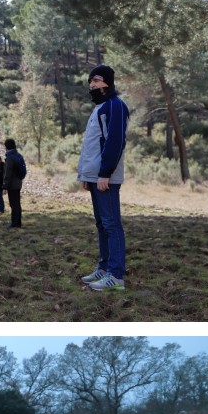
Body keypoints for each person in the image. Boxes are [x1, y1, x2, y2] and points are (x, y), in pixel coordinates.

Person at [78, 64, 130, 291]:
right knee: (101, 224)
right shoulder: (99, 107)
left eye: (97, 80)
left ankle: (116, 276)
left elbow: (115, 142)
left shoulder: (115, 106)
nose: (92, 85)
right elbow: (92, 146)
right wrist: (87, 175)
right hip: (95, 176)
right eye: (91, 81)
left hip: (105, 177)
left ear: (108, 82)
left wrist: (104, 173)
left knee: (111, 225)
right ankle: (104, 267)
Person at [2, 138, 26, 228]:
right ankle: (18, 222)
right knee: (17, 203)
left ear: (6, 146)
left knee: (13, 204)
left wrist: (5, 186)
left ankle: (14, 224)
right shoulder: (18, 155)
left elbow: (8, 173)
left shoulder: (10, 158)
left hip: (12, 184)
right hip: (18, 183)